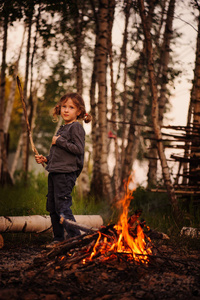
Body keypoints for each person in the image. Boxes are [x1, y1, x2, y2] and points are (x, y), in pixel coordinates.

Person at [35, 92, 92, 246]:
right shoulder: (63, 128)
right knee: (53, 207)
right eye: (64, 107)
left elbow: (78, 149)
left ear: (79, 111)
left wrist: (59, 141)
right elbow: (61, 155)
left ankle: (78, 240)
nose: (66, 110)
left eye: (71, 107)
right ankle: (59, 239)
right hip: (55, 172)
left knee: (62, 207)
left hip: (66, 174)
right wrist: (46, 159)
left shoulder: (76, 128)